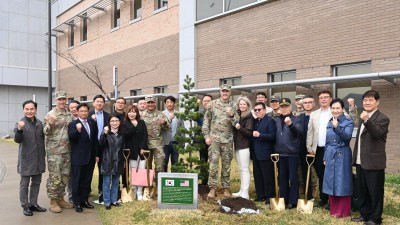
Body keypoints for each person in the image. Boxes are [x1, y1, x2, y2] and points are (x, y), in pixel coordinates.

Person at [351, 90, 390, 225]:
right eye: (365, 100)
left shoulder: (382, 118)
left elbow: (377, 134)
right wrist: (355, 158)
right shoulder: (363, 118)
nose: (367, 103)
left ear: (377, 102)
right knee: (363, 191)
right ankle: (365, 214)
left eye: (370, 100)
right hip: (361, 161)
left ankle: (375, 218)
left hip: (374, 162)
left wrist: (367, 120)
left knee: (375, 192)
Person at [202, 84, 240, 198]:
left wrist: (232, 115)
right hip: (214, 140)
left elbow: (237, 123)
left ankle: (225, 188)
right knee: (213, 164)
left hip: (227, 140)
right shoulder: (212, 104)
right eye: (223, 91)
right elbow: (206, 121)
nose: (225, 93)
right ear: (220, 92)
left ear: (230, 93)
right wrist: (206, 137)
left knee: (226, 164)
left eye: (227, 91)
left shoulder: (233, 105)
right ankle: (212, 188)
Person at [14, 100, 47, 216]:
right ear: (23, 110)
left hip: (38, 159)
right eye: (27, 109)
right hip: (26, 160)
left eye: (31, 109)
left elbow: (42, 139)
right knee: (24, 185)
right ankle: (25, 206)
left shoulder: (39, 123)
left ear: (35, 110)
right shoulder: (20, 123)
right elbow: (17, 139)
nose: (29, 111)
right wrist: (19, 129)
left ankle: (33, 204)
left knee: (36, 183)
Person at [43, 91, 74, 213]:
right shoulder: (50, 114)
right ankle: (53, 201)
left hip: (67, 150)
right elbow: (45, 132)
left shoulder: (69, 114)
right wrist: (50, 124)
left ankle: (61, 198)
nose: (62, 102)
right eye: (59, 100)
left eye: (64, 99)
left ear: (66, 100)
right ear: (56, 101)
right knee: (55, 177)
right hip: (54, 151)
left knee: (65, 176)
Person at [323, 98, 354, 218]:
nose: (335, 110)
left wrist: (337, 127)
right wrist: (325, 156)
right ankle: (334, 210)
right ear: (330, 109)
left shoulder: (348, 121)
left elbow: (347, 137)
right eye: (333, 108)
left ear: (342, 109)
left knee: (342, 181)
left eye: (338, 108)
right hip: (330, 153)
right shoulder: (329, 121)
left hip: (343, 153)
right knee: (331, 181)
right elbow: (327, 141)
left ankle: (343, 211)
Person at [68, 103, 98, 213]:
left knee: (87, 180)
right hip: (78, 157)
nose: (84, 113)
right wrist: (78, 130)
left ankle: (85, 200)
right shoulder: (73, 124)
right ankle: (77, 202)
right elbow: (72, 138)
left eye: (86, 111)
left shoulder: (92, 122)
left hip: (90, 157)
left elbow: (94, 140)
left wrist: (96, 154)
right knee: (77, 180)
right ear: (77, 112)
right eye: (81, 111)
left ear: (88, 112)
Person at [274, 98, 302, 209]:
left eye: (286, 106)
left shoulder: (296, 119)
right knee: (282, 178)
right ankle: (284, 199)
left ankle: (293, 201)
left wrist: (291, 125)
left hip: (292, 154)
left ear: (290, 107)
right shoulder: (276, 120)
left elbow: (299, 132)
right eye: (282, 107)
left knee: (293, 178)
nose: (284, 108)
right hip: (280, 154)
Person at [307, 90, 332, 208]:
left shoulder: (335, 111)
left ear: (330, 99)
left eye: (326, 97)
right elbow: (310, 132)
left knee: (330, 174)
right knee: (321, 174)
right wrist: (309, 147)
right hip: (318, 149)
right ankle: (323, 199)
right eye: (321, 97)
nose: (323, 99)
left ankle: (332, 199)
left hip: (331, 149)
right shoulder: (314, 114)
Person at [141, 96, 170, 189]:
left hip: (158, 144)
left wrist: (164, 123)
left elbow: (168, 128)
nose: (150, 104)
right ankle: (147, 186)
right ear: (146, 104)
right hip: (145, 144)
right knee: (146, 166)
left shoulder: (161, 114)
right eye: (148, 102)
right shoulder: (141, 115)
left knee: (159, 166)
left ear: (155, 103)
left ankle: (159, 186)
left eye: (152, 102)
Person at [122, 105, 148, 200]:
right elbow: (125, 136)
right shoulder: (125, 124)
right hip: (131, 151)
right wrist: (134, 126)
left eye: (134, 112)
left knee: (141, 171)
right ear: (127, 113)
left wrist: (142, 147)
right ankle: (134, 189)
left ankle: (140, 192)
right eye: (130, 112)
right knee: (133, 171)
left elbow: (145, 136)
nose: (131, 114)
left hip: (141, 151)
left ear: (137, 113)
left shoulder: (142, 122)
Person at [252, 102, 276, 204]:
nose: (257, 111)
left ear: (265, 110)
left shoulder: (270, 121)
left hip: (266, 153)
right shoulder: (256, 122)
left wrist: (260, 135)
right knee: (258, 175)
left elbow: (272, 136)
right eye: (255, 110)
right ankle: (260, 195)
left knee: (267, 176)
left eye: (259, 109)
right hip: (256, 153)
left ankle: (269, 196)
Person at [99, 114, 125, 210]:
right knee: (106, 182)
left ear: (119, 122)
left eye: (116, 121)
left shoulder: (122, 133)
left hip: (118, 160)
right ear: (109, 123)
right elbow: (101, 144)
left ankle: (114, 200)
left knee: (115, 182)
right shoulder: (106, 133)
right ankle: (107, 202)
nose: (114, 123)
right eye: (112, 121)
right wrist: (104, 134)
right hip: (107, 160)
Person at [89, 95, 110, 204]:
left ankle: (101, 190)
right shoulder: (88, 115)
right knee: (89, 169)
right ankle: (87, 190)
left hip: (104, 145)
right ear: (93, 103)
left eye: (101, 102)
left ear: (104, 104)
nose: (99, 103)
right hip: (91, 146)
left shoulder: (108, 116)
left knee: (102, 169)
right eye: (97, 101)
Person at [232, 96, 253, 199]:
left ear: (248, 105)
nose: (242, 106)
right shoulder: (239, 116)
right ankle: (241, 190)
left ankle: (246, 192)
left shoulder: (249, 117)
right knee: (241, 169)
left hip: (245, 146)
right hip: (238, 145)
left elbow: (249, 133)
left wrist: (240, 128)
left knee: (245, 169)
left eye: (244, 104)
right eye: (240, 104)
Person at [297, 95, 318, 201]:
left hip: (317, 149)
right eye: (305, 103)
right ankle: (308, 195)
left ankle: (324, 197)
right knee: (305, 172)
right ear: (302, 105)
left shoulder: (318, 115)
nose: (308, 104)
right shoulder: (299, 117)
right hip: (303, 150)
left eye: (310, 102)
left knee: (320, 172)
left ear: (314, 104)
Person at [162, 96, 184, 172]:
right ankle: (164, 180)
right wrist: (168, 118)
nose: (169, 104)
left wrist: (182, 143)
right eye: (167, 102)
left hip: (176, 142)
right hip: (165, 143)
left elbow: (182, 129)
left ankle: (174, 180)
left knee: (175, 162)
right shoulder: (161, 114)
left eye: (171, 102)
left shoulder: (179, 114)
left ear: (174, 103)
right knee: (164, 162)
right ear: (165, 104)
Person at [196, 95, 213, 185]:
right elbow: (193, 117)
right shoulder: (200, 113)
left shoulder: (214, 112)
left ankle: (212, 182)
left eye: (208, 101)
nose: (206, 102)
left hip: (214, 140)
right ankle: (204, 181)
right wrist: (196, 105)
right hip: (202, 141)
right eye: (204, 101)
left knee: (213, 161)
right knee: (203, 160)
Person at [67, 99, 80, 203]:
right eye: (71, 107)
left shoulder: (85, 118)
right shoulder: (67, 119)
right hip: (68, 149)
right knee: (71, 174)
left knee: (81, 173)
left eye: (76, 107)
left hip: (81, 150)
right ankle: (71, 194)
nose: (74, 109)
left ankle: (81, 192)